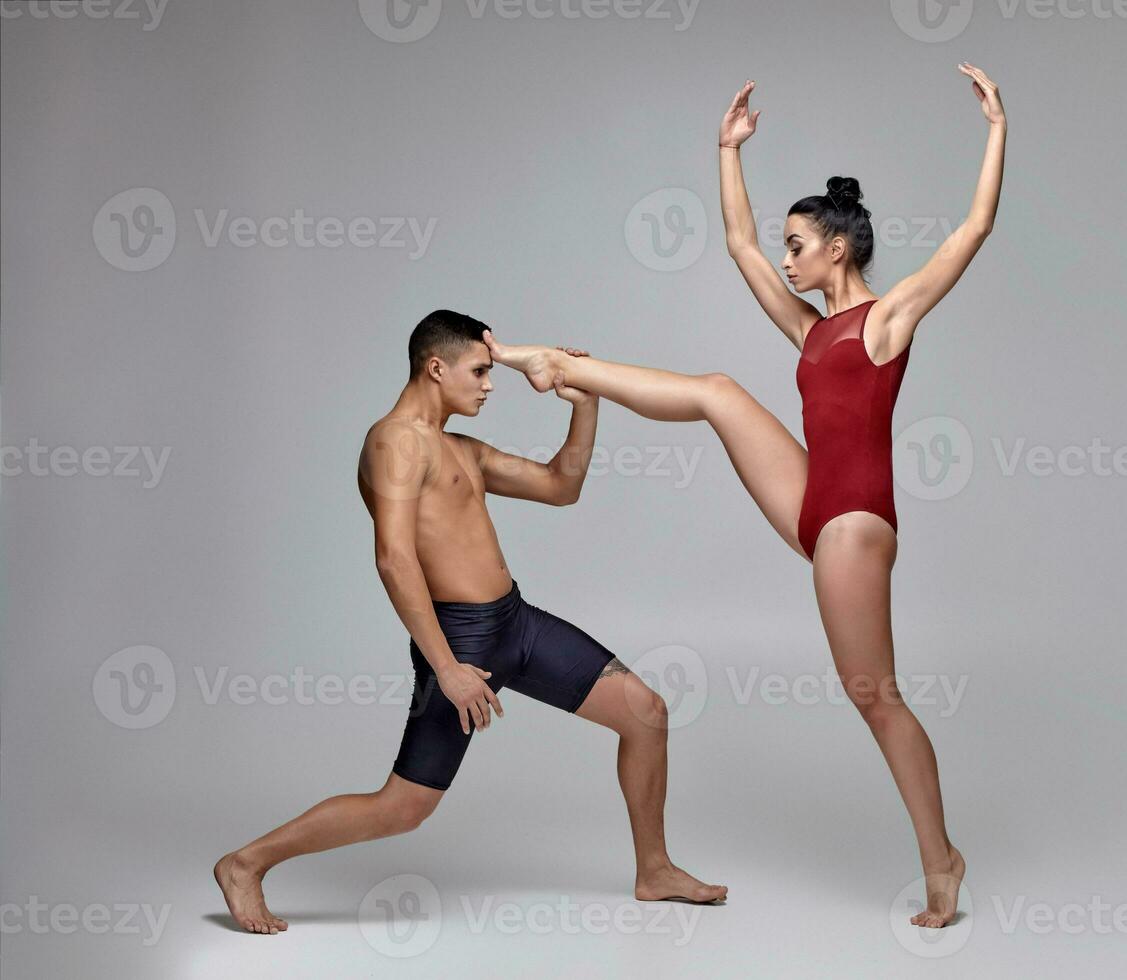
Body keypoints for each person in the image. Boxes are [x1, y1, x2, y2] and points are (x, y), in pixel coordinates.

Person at [485, 63, 1005, 928]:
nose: (788, 256)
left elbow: (975, 228)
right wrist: (727, 151)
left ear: (839, 247)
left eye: (800, 244)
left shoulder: (887, 319)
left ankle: (941, 859)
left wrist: (994, 128)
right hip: (811, 495)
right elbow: (737, 246)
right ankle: (556, 362)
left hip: (855, 520)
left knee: (875, 698)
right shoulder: (809, 331)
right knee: (719, 390)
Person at [213, 310, 726, 935]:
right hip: (459, 641)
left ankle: (655, 869)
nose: (489, 384)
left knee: (646, 713)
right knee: (403, 808)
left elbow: (561, 487)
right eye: (480, 371)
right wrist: (446, 666)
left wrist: (585, 405)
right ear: (436, 367)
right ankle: (246, 863)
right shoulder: (394, 441)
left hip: (516, 624)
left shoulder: (459, 448)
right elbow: (393, 556)